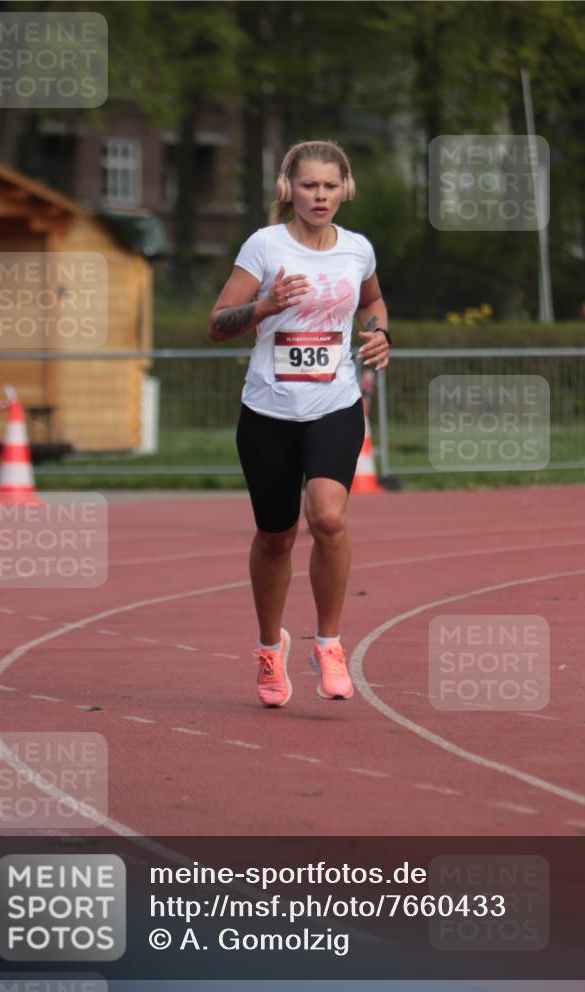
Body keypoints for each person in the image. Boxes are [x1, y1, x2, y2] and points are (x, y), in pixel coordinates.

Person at [209, 139, 389, 707]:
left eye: (330, 186)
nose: (320, 196)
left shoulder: (358, 250)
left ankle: (329, 643)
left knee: (329, 518)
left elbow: (374, 304)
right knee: (276, 534)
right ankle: (269, 647)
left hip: (333, 404)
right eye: (309, 185)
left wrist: (382, 335)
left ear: (346, 190)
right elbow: (217, 323)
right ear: (289, 189)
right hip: (267, 411)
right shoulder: (264, 247)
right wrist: (262, 307)